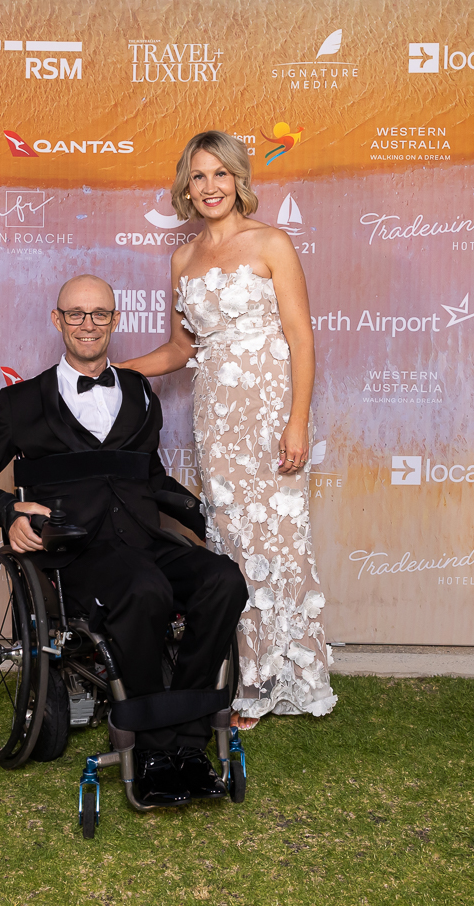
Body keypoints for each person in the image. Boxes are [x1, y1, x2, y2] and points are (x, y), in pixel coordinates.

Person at [0, 273, 249, 808]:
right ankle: (155, 751)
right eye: (76, 313)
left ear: (115, 320)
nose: (87, 324)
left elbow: (152, 479)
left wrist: (207, 520)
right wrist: (9, 512)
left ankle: (187, 742)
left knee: (224, 580)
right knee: (144, 588)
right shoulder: (21, 402)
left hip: (145, 541)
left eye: (99, 314)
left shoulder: (139, 391)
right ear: (57, 320)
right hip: (75, 555)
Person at [117, 131, 338, 728]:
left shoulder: (271, 243)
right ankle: (247, 676)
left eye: (220, 174)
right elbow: (180, 349)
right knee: (232, 547)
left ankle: (288, 678)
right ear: (185, 187)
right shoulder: (182, 259)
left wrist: (297, 422)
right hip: (216, 419)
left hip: (271, 414)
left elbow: (301, 339)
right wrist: (116, 370)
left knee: (281, 544)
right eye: (198, 176)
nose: (210, 186)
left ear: (239, 180)